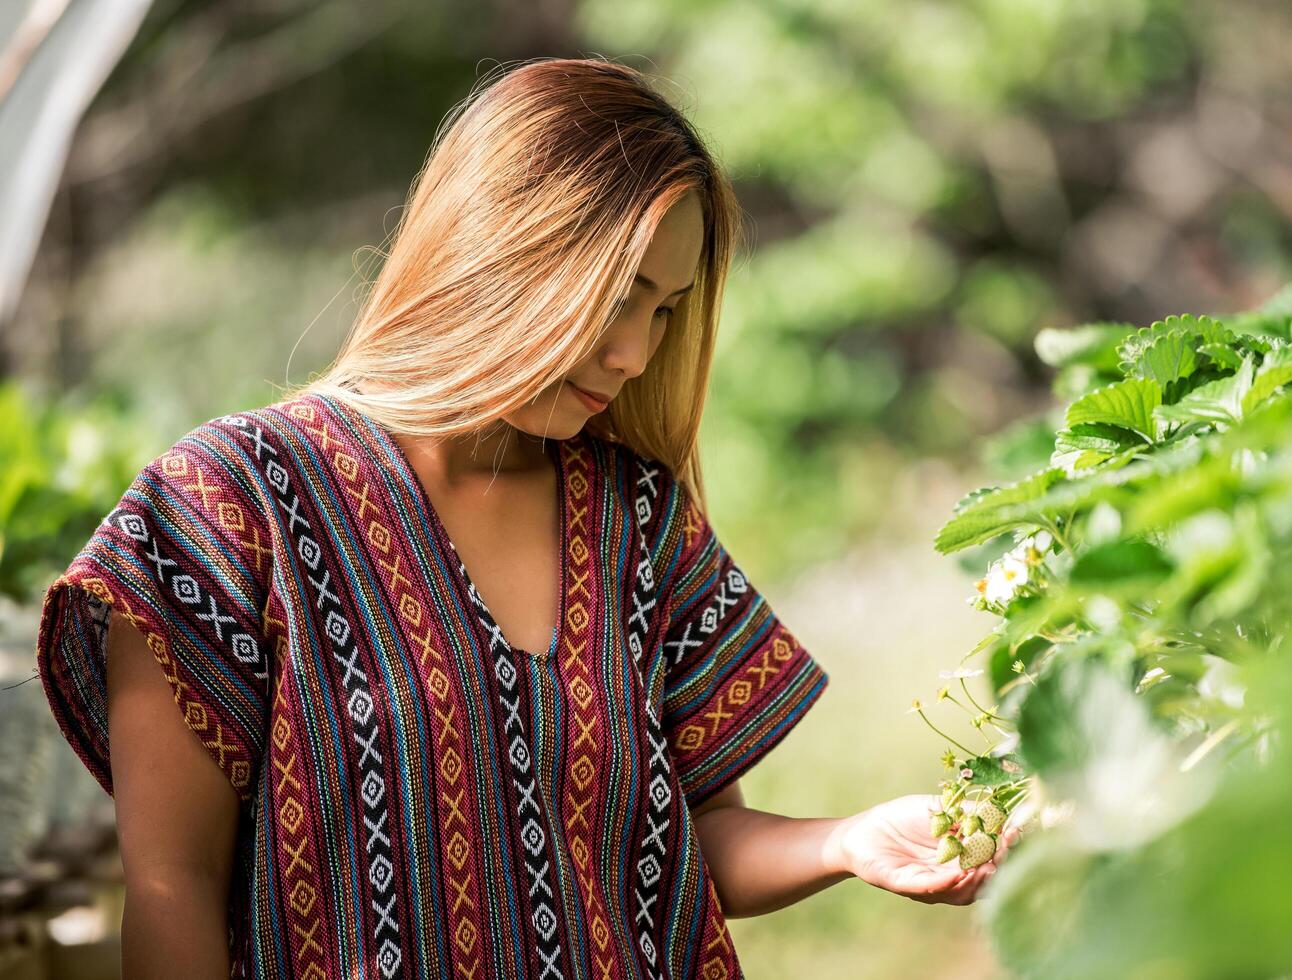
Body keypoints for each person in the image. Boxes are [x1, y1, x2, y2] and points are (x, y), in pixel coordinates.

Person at [34, 57, 1013, 980]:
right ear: (502, 246)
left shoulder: (637, 522)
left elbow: (692, 843)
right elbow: (171, 887)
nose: (637, 351)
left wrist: (844, 840)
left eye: (665, 309)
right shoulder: (218, 509)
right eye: (618, 296)